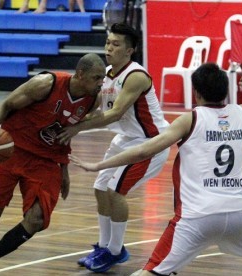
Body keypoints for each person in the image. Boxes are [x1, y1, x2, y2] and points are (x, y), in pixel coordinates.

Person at [69, 63, 242, 276]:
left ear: (196, 93)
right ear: (225, 90)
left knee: (152, 271)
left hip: (198, 215)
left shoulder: (191, 119)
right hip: (240, 211)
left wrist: (99, 165)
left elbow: (143, 151)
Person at [0, 53, 106, 276]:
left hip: (46, 159)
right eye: (97, 78)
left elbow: (64, 132)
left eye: (103, 78)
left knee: (37, 219)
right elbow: (5, 105)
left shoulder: (93, 100)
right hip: (14, 149)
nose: (101, 83)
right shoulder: (45, 85)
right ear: (80, 75)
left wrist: (64, 169)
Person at [56, 23, 170, 273]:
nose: (109, 48)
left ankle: (116, 252)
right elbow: (98, 108)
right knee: (100, 188)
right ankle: (105, 246)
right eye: (108, 42)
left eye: (116, 44)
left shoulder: (136, 76)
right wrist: (70, 119)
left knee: (115, 190)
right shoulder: (106, 73)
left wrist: (77, 128)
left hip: (151, 142)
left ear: (130, 50)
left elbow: (115, 112)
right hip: (125, 138)